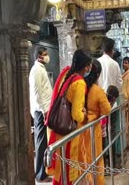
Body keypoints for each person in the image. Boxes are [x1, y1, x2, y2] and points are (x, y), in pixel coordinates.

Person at [45, 49, 92, 185]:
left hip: (59, 129)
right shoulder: (80, 83)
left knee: (60, 172)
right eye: (88, 65)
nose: (89, 68)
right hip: (69, 134)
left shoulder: (67, 74)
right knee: (69, 171)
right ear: (84, 65)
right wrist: (85, 115)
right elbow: (76, 114)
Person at [83, 59, 112, 185]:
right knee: (96, 158)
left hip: (81, 127)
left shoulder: (81, 86)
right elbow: (107, 110)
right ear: (98, 74)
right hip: (93, 129)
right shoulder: (97, 90)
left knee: (84, 158)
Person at [97, 37, 123, 167]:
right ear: (111, 50)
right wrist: (112, 94)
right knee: (112, 133)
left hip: (99, 106)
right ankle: (113, 163)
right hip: (112, 105)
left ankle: (102, 164)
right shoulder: (115, 64)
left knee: (100, 135)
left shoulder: (96, 63)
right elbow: (119, 84)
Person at [29, 46, 53, 183]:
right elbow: (37, 93)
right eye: (45, 54)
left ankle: (42, 172)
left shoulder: (40, 69)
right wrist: (44, 110)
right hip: (40, 111)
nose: (47, 56)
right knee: (40, 143)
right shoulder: (36, 71)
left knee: (43, 142)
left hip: (43, 110)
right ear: (39, 56)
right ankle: (40, 174)